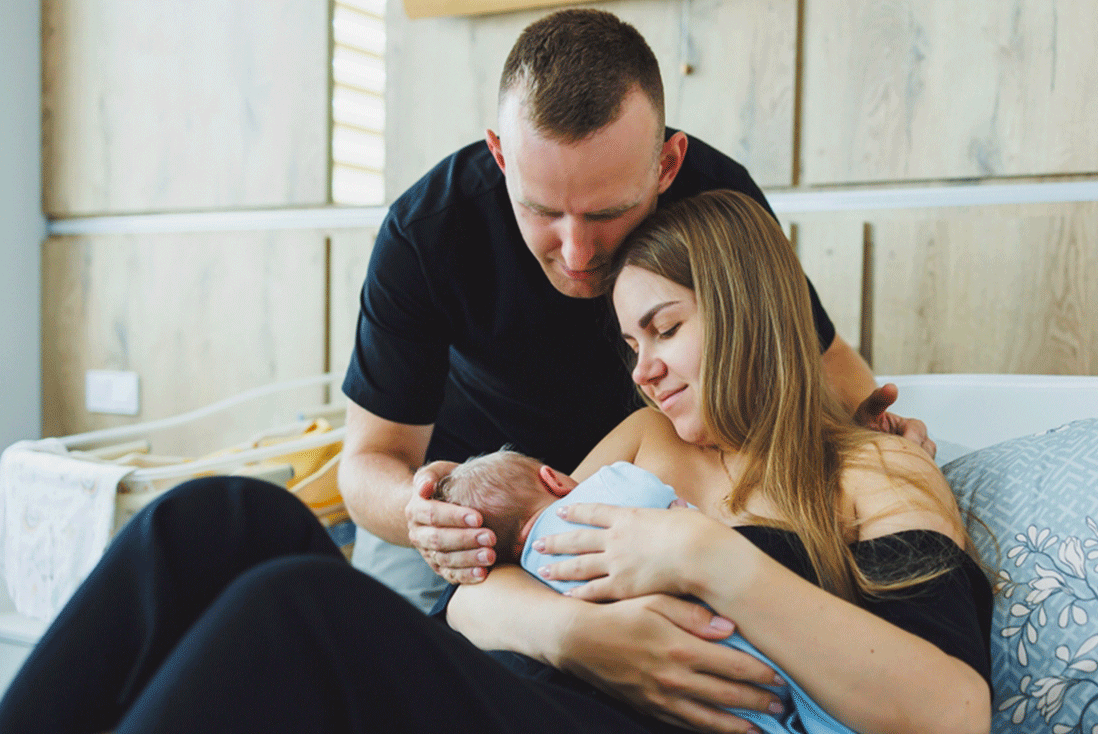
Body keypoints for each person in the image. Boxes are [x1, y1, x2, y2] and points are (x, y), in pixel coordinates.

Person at [0, 189, 990, 734]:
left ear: (749, 313)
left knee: (299, 607)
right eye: (629, 343)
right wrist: (578, 632)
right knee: (219, 518)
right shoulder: (650, 440)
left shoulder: (875, 474)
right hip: (535, 681)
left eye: (665, 328)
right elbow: (474, 596)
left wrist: (708, 556)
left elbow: (949, 710)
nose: (642, 370)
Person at [337, 8, 933, 621]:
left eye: (605, 214)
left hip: (653, 487)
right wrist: (426, 516)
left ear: (667, 165)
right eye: (542, 211)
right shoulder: (426, 232)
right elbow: (367, 460)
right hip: (477, 495)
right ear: (500, 156)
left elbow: (812, 353)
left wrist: (870, 439)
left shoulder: (718, 203)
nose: (576, 254)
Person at [437, 448, 879, 734]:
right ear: (553, 479)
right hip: (733, 629)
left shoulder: (534, 574)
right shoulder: (606, 485)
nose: (644, 369)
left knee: (751, 711)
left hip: (692, 687)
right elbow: (665, 503)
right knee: (796, 686)